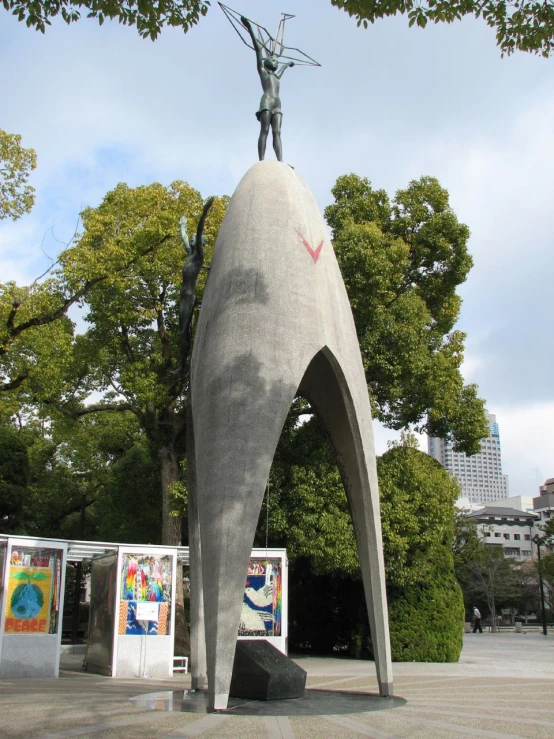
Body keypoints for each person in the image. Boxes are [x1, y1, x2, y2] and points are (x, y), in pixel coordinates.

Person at [241, 15, 295, 162]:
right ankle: (262, 161)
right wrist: (250, 29)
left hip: (277, 104)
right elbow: (258, 50)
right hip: (266, 102)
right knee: (264, 130)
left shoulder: (276, 77)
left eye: (277, 61)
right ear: (266, 62)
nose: (276, 62)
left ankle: (280, 162)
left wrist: (288, 64)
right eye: (273, 60)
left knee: (277, 132)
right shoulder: (263, 72)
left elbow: (282, 69)